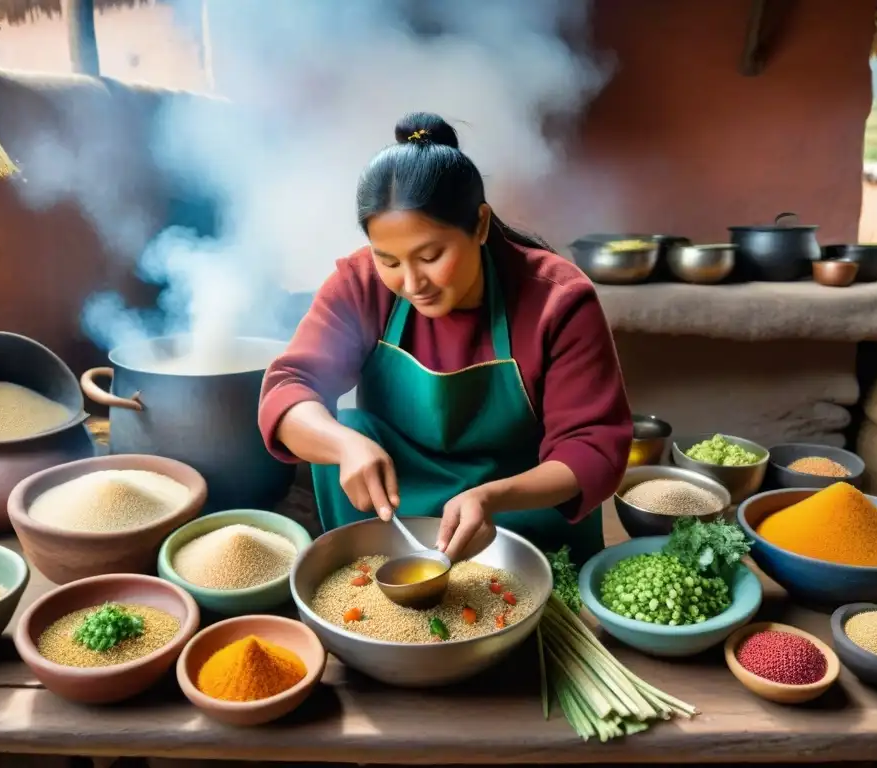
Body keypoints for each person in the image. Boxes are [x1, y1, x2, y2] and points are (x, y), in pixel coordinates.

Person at [258, 112, 632, 564]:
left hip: (519, 510)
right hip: (395, 508)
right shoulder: (360, 283)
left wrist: (491, 497)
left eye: (431, 256)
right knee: (348, 426)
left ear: (479, 225)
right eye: (389, 260)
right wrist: (344, 445)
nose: (413, 282)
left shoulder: (557, 299)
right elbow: (288, 388)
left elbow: (592, 445)